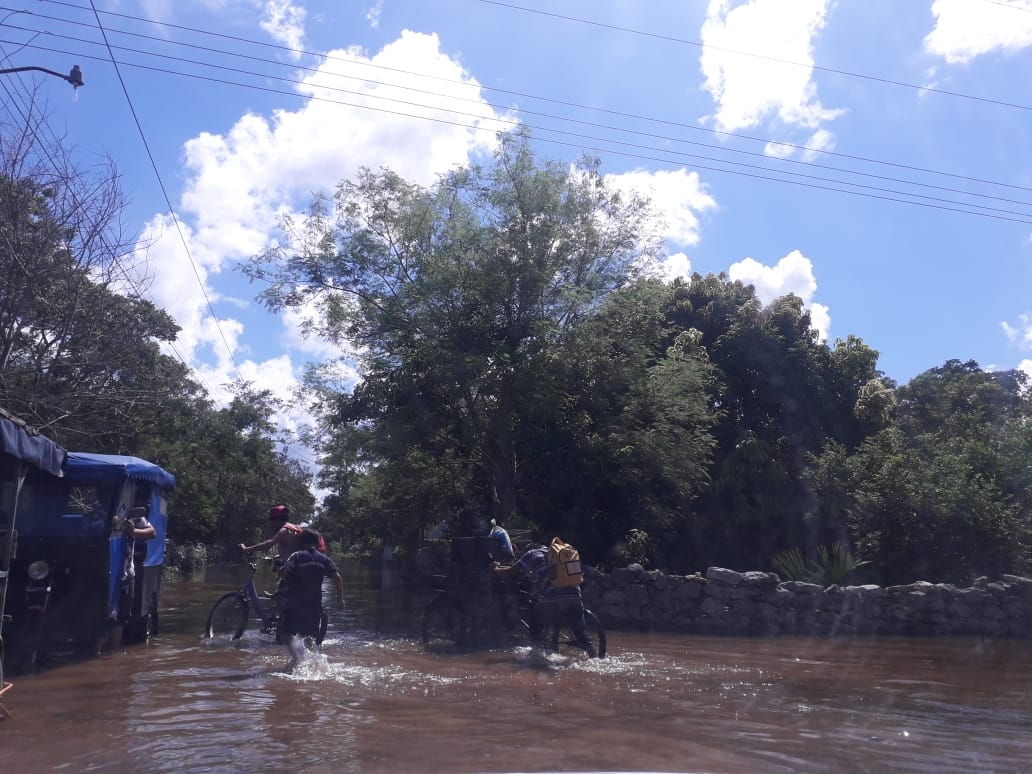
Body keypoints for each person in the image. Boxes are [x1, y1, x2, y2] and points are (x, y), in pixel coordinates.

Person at [491, 538, 596, 658]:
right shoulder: (563, 554)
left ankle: (535, 657)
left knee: (535, 625)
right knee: (582, 636)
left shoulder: (532, 554)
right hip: (575, 595)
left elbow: (511, 571)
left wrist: (495, 569)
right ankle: (595, 657)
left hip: (553, 598)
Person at [277, 528, 345, 671]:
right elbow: (337, 577)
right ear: (316, 543)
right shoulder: (323, 559)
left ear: (301, 541)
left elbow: (283, 572)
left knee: (284, 634)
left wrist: (283, 575)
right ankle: (312, 666)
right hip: (315, 606)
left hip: (296, 605)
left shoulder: (296, 556)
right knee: (308, 638)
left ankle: (297, 660)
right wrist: (340, 599)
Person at [106, 506, 156, 651]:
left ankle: (114, 650)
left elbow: (152, 532)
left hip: (126, 572)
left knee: (121, 614)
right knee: (102, 612)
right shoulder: (99, 513)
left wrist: (134, 531)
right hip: (103, 571)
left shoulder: (130, 516)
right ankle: (96, 651)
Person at [239, 504, 303, 568]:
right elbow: (292, 549)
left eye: (272, 521)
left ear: (276, 520)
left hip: (293, 569)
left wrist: (247, 549)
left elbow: (269, 544)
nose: (271, 524)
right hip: (300, 565)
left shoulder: (284, 530)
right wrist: (277, 557)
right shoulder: (295, 527)